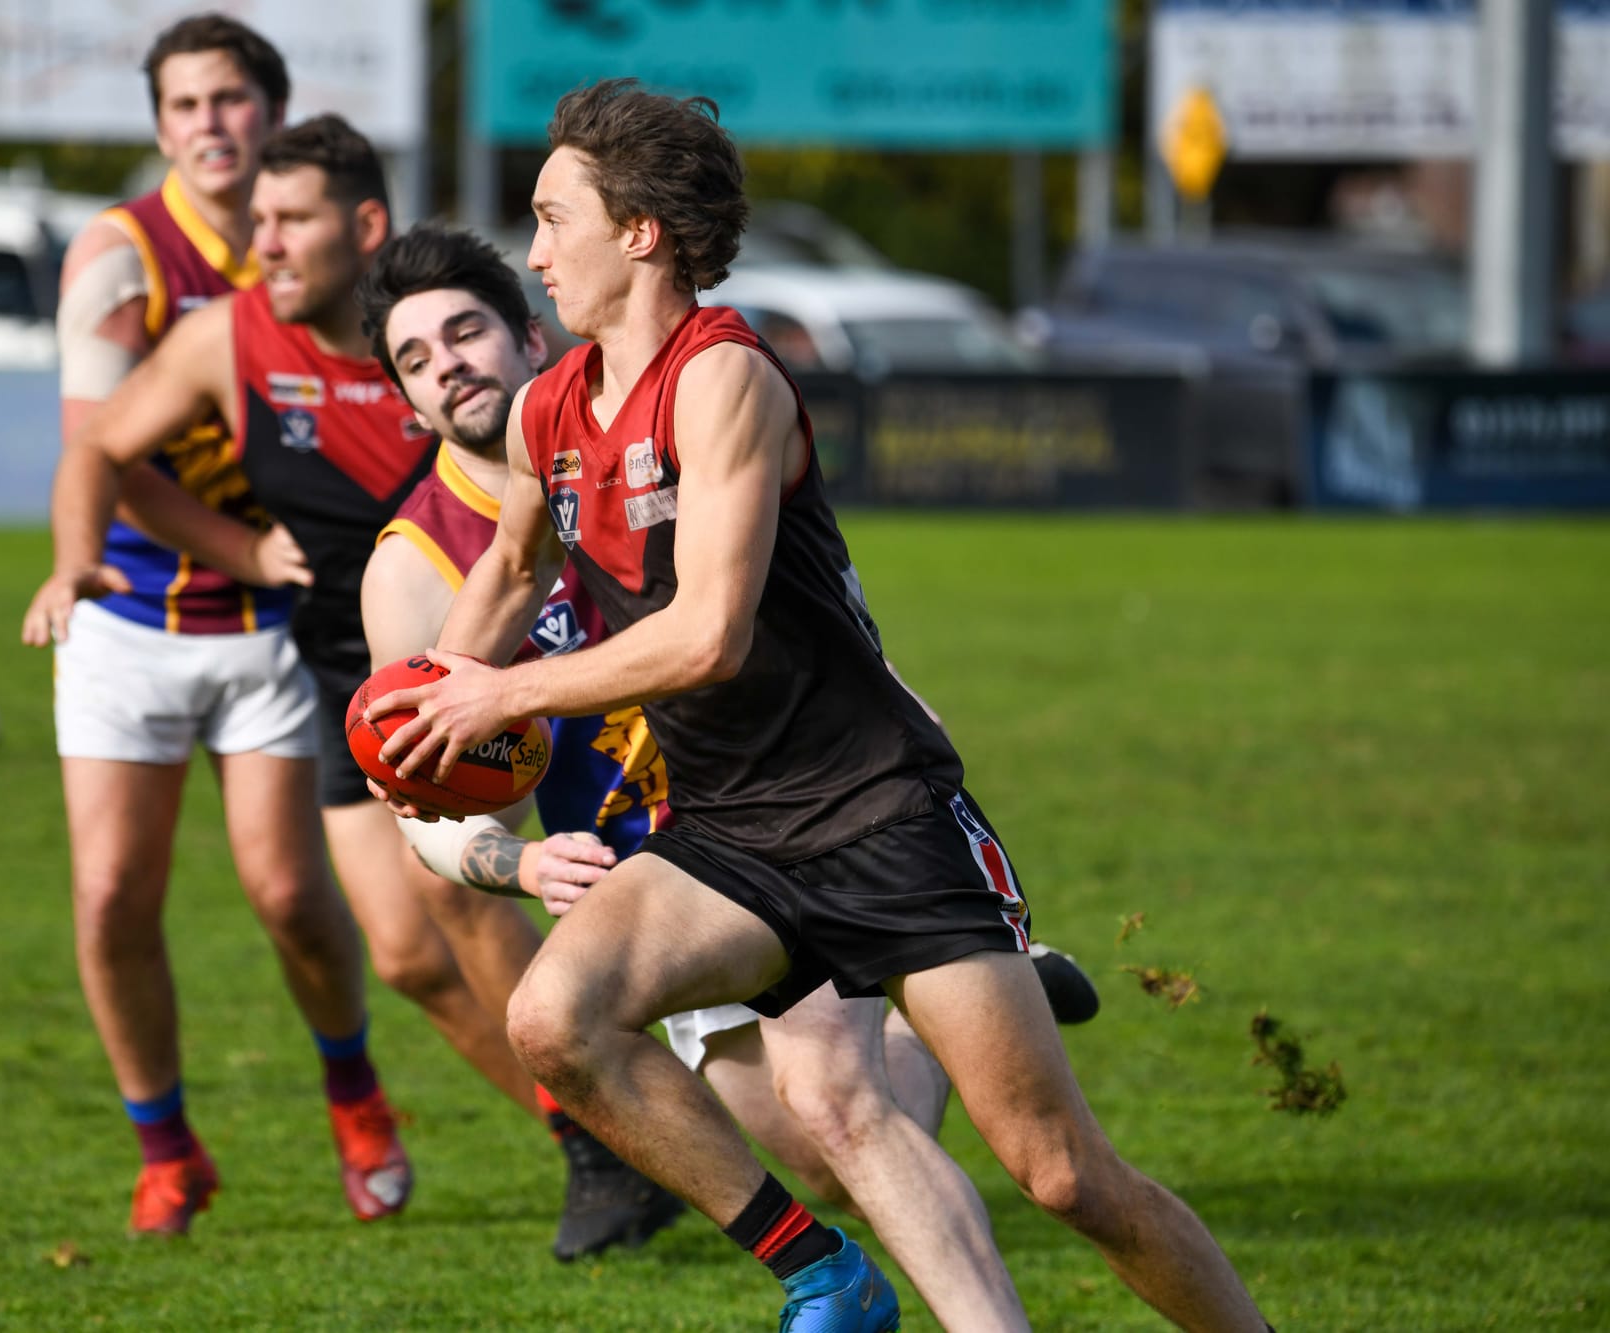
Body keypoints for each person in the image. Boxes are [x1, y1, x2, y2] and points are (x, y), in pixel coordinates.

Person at [366, 81, 1276, 1332]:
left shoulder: (724, 377)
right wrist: (416, 721)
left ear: (640, 231)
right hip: (729, 829)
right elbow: (513, 572)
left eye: (550, 217)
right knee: (554, 1018)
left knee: (1061, 1173)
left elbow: (706, 633)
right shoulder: (547, 408)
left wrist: (498, 693)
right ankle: (821, 1272)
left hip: (878, 814)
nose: (532, 252)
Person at [27, 113, 670, 1256]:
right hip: (355, 666)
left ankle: (641, 1115)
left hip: (510, 645)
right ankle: (600, 1139)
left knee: (442, 895)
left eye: (288, 221)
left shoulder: (460, 338)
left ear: (362, 225)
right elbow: (100, 447)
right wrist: (196, 554)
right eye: (252, 221)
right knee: (417, 948)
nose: (259, 243)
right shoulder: (231, 339)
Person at [18, 17, 409, 1236]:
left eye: (231, 99)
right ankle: (166, 1146)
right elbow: (103, 449)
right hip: (129, 612)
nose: (208, 124)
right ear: (158, 127)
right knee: (111, 896)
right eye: (183, 104)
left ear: (274, 111)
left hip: (279, 627)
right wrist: (88, 565)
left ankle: (354, 1091)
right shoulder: (119, 255)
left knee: (291, 894)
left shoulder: (326, 241)